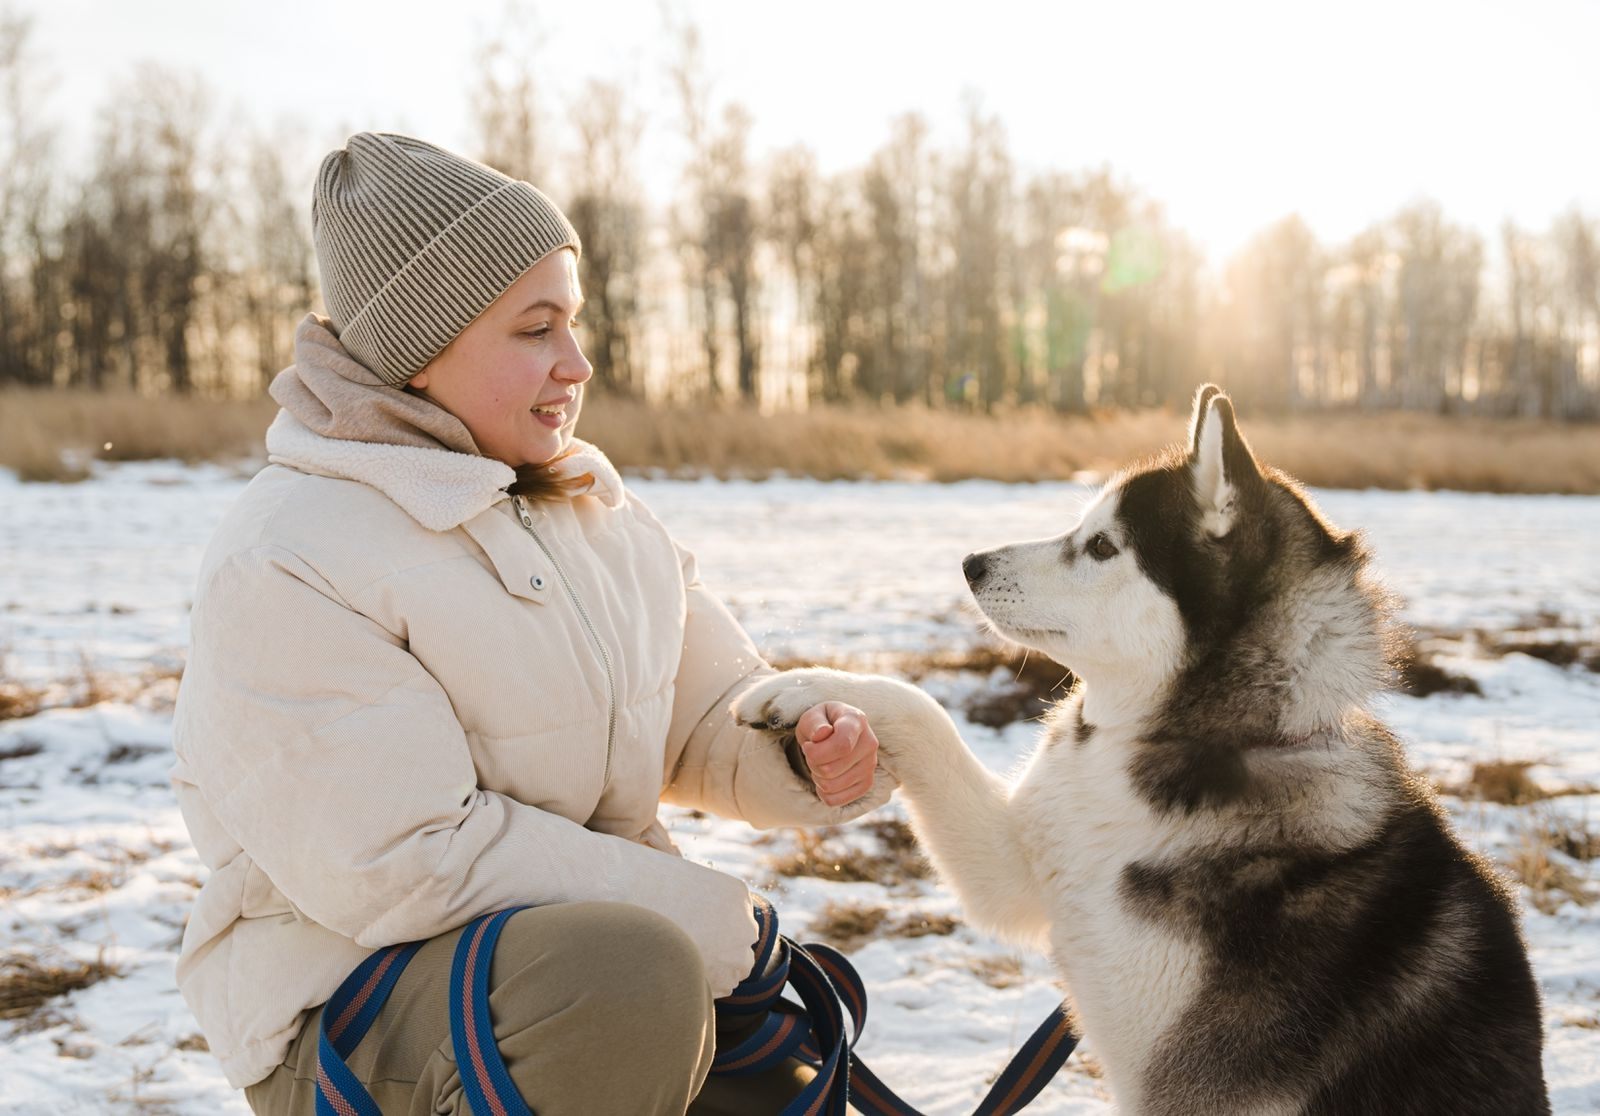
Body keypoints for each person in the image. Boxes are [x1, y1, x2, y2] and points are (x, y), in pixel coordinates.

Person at [168, 131, 896, 1115]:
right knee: (628, 979)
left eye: (575, 323)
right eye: (535, 329)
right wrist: (681, 913)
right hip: (349, 1015)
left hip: (594, 978)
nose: (577, 364)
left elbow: (704, 710)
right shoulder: (289, 554)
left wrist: (803, 752)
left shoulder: (590, 509)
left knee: (750, 1070)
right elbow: (402, 862)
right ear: (423, 346)